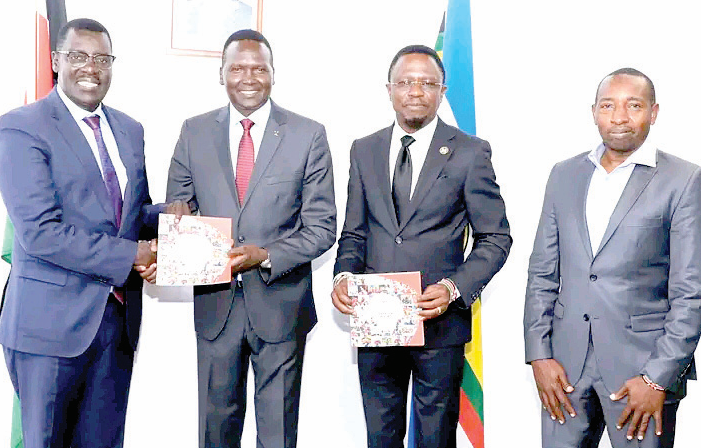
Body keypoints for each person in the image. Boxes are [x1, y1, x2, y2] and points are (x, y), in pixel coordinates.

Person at [0, 18, 183, 448]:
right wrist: (132, 257)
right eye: (79, 56)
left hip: (116, 323)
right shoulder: (21, 127)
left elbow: (129, 213)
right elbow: (40, 232)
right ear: (56, 61)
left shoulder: (130, 129)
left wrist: (173, 217)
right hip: (48, 327)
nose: (91, 68)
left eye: (102, 58)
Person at [331, 45, 511, 448]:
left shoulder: (470, 152)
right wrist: (343, 275)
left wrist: (453, 288)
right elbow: (355, 232)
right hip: (375, 322)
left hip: (439, 322)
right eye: (406, 82)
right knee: (381, 436)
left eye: (427, 83)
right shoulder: (364, 149)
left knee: (435, 439)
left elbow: (496, 238)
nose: (416, 91)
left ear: (442, 91)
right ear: (390, 89)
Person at [166, 29, 336, 448]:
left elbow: (322, 226)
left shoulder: (308, 134)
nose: (248, 77)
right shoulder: (194, 131)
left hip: (280, 305)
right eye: (237, 68)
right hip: (215, 307)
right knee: (215, 430)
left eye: (259, 68)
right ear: (220, 73)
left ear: (273, 74)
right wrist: (176, 229)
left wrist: (266, 255)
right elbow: (177, 205)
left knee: (277, 433)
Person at [524, 68, 701, 447]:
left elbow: (691, 292)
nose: (619, 117)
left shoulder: (684, 180)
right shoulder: (564, 174)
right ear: (594, 112)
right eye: (608, 105)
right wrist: (539, 356)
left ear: (653, 113)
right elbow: (542, 272)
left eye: (633, 105)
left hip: (640, 376)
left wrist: (657, 378)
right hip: (564, 374)